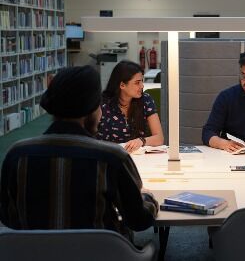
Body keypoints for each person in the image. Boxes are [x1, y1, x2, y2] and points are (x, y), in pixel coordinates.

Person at [0, 65, 158, 241]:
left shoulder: (16, 155)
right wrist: (148, 197)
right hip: (102, 253)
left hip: (34, 255)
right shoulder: (112, 158)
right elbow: (139, 221)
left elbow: (7, 217)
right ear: (92, 109)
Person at [97, 60, 164, 153]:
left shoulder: (145, 100)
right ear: (122, 85)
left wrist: (141, 141)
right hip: (109, 157)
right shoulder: (102, 104)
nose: (142, 86)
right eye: (137, 83)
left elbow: (159, 138)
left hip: (137, 157)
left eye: (142, 81)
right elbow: (90, 139)